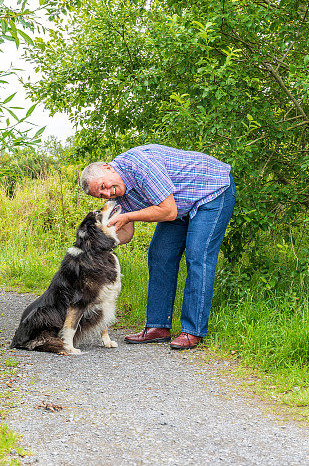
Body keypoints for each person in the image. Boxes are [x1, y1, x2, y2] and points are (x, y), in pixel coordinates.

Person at [79, 144, 236, 350]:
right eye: (101, 196)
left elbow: (168, 211)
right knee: (160, 254)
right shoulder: (118, 195)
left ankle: (193, 331)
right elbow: (126, 233)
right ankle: (158, 327)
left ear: (108, 168)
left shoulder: (140, 166)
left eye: (103, 187)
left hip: (212, 191)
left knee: (198, 256)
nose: (107, 194)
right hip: (179, 203)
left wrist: (127, 216)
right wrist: (98, 242)